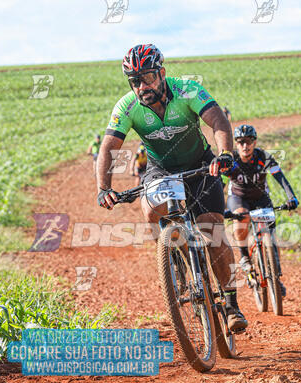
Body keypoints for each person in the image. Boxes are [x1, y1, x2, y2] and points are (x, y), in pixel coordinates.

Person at [96, 44, 248, 332]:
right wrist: (104, 187)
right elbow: (109, 147)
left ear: (162, 73)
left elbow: (217, 120)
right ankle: (173, 256)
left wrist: (225, 154)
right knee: (150, 210)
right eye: (135, 80)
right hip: (161, 169)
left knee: (212, 229)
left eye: (148, 77)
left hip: (200, 164)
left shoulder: (187, 89)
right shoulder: (127, 106)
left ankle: (231, 303)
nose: (142, 86)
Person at [222, 124, 299, 297]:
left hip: (260, 197)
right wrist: (220, 208)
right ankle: (245, 258)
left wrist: (291, 197)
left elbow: (280, 177)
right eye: (241, 142)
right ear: (236, 143)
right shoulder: (232, 161)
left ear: (254, 142)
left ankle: (276, 277)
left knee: (272, 236)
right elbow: (218, 183)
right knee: (241, 221)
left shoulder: (264, 157)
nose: (245, 146)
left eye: (248, 141)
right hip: (238, 197)